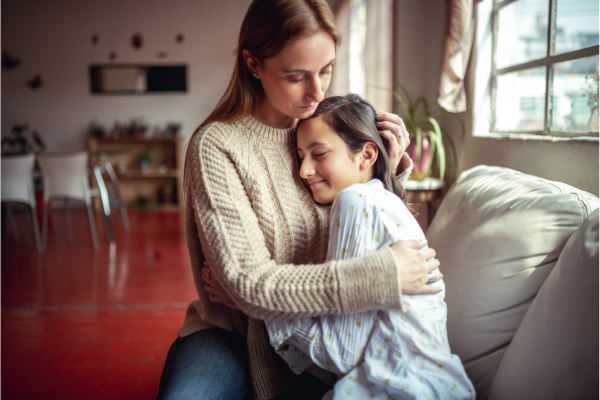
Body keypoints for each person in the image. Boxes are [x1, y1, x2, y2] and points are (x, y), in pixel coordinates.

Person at [157, 1, 442, 399]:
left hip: (317, 337)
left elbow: (356, 234)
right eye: (297, 76)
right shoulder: (216, 147)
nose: (317, 91)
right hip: (234, 335)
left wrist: (382, 175)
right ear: (253, 64)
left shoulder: (326, 129)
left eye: (326, 70)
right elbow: (248, 286)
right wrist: (380, 275)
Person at [266, 94, 475, 399]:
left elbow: (338, 354)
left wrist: (265, 307)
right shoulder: (381, 202)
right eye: (300, 157)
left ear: (366, 155)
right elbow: (351, 356)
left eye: (319, 153)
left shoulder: (356, 201)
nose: (303, 171)